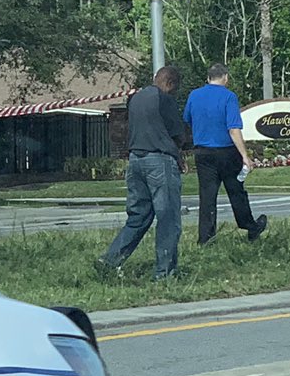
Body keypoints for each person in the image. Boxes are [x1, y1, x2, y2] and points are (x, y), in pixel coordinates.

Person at [98, 64, 188, 281]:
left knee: (139, 216)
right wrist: (179, 153)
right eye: (174, 89)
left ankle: (110, 260)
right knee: (168, 218)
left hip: (135, 161)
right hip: (160, 161)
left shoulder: (135, 99)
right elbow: (178, 135)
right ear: (170, 83)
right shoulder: (164, 99)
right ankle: (164, 274)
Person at [183, 62, 269, 244]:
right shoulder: (229, 97)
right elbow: (233, 129)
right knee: (236, 191)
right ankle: (250, 226)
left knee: (207, 196)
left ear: (208, 78)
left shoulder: (194, 95)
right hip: (226, 152)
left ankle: (206, 238)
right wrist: (245, 156)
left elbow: (188, 119)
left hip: (203, 152)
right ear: (225, 77)